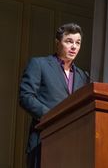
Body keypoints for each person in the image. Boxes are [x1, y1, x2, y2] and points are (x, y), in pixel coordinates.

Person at [19, 23, 89, 168]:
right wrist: (53, 117)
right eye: (69, 41)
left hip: (73, 145)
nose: (74, 47)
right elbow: (26, 96)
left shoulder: (83, 76)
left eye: (78, 43)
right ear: (57, 43)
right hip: (44, 140)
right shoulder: (39, 64)